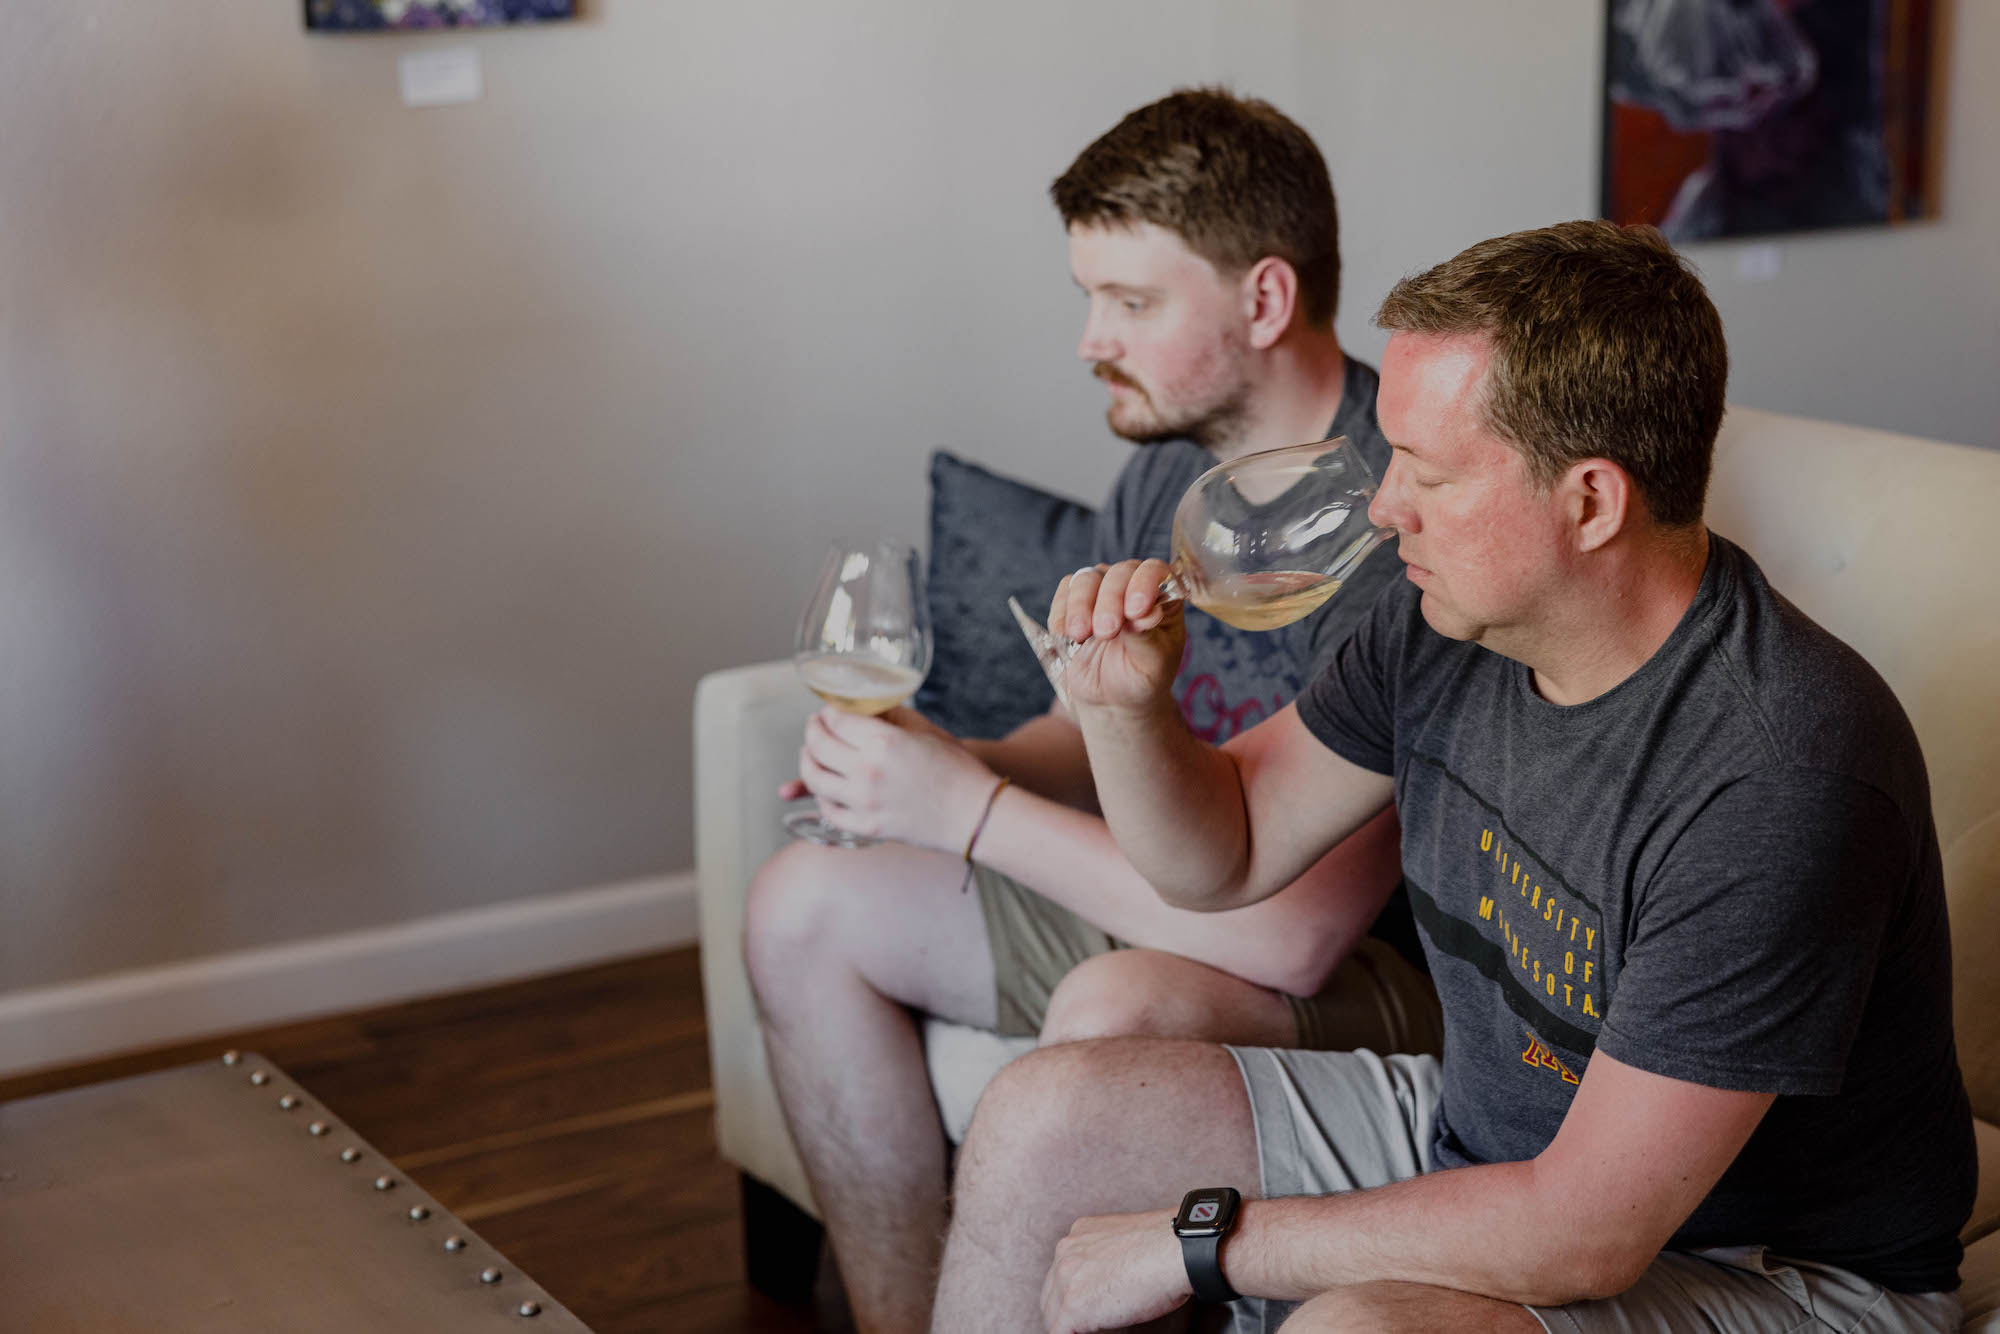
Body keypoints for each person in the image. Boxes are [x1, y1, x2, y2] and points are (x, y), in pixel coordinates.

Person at [931, 219, 1977, 1333]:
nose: (1384, 510)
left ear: (1588, 502)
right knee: (1042, 1112)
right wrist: (1124, 708)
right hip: (1486, 1142)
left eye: (1427, 474)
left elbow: (1582, 1227)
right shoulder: (1438, 625)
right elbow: (1223, 852)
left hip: (1769, 1266)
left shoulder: (1777, 772)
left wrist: (1202, 1241)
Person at [742, 88, 1441, 1334]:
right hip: (1164, 887)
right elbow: (1102, 727)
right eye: (1089, 297)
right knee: (802, 902)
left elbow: (1289, 937)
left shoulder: (1396, 527)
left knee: (1116, 1012)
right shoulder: (1169, 468)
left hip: (1362, 959)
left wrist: (969, 810)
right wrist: (958, 758)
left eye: (1129, 302)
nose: (1087, 338)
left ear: (1264, 300)